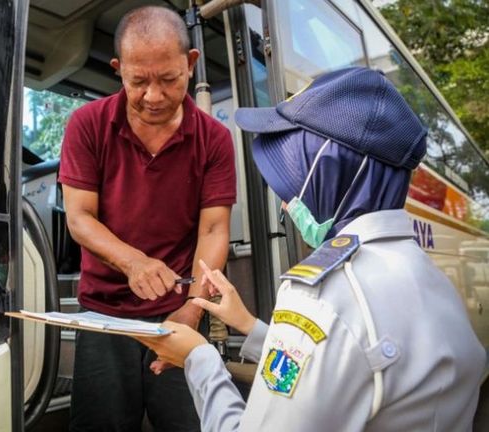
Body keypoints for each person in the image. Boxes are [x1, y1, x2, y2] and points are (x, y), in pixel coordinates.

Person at [138, 67, 486, 431]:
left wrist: (198, 357)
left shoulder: (323, 297)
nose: (287, 206)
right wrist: (250, 327)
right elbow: (345, 361)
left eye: (295, 185)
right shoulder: (434, 281)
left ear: (331, 176)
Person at [58, 5, 236, 431]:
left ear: (190, 65)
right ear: (119, 70)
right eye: (138, 82)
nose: (153, 96)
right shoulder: (87, 124)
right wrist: (132, 262)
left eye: (169, 80)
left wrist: (193, 309)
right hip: (103, 316)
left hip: (178, 314)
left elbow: (213, 229)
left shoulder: (215, 139)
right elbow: (79, 217)